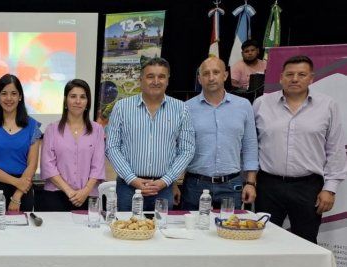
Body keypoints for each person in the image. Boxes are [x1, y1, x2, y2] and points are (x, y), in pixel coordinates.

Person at [253, 55, 347, 243]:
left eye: (301, 74)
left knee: (305, 243)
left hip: (308, 187)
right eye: (290, 74)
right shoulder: (261, 104)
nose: (295, 79)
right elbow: (251, 145)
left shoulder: (327, 106)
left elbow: (335, 149)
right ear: (280, 77)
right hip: (268, 186)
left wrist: (330, 188)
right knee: (263, 241)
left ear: (311, 78)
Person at [106, 57, 195, 211]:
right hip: (128, 188)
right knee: (126, 232)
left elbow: (187, 150)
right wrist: (132, 179)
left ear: (167, 80)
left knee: (161, 233)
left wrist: (165, 180)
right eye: (150, 76)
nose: (156, 81)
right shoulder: (121, 107)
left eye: (161, 76)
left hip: (163, 188)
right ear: (141, 80)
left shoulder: (181, 109)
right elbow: (112, 147)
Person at [180, 57, 258, 210]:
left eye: (216, 72)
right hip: (195, 185)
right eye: (206, 73)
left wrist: (250, 183)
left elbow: (250, 145)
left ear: (225, 75)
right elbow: (178, 148)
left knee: (229, 231)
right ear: (199, 78)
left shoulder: (243, 105)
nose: (211, 77)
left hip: (231, 185)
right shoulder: (185, 108)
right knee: (193, 232)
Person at [0, 74, 41, 211]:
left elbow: (32, 165)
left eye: (13, 93)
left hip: (22, 191)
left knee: (22, 232)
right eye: (4, 93)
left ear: (20, 97)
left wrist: (17, 196)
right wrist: (16, 182)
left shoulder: (33, 126)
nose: (9, 98)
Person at [39, 79, 105, 211]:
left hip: (88, 196)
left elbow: (98, 166)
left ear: (88, 102)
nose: (78, 101)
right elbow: (48, 165)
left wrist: (85, 191)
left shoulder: (97, 129)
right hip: (55, 195)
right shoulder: (52, 129)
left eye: (83, 97)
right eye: (73, 96)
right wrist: (69, 191)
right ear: (65, 101)